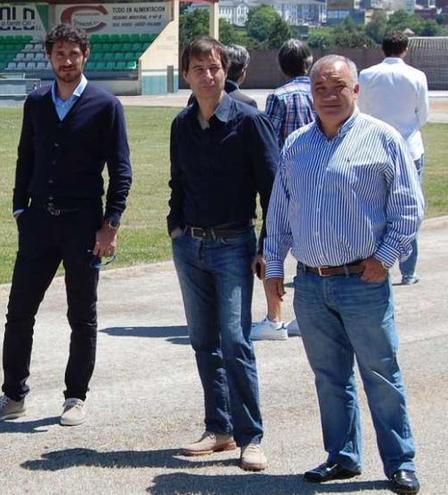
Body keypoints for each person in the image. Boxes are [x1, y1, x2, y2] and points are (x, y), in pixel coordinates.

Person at [264, 55, 423, 495]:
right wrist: (274, 267)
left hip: (363, 282)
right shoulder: (297, 144)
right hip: (311, 283)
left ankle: (400, 462)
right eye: (320, 88)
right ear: (310, 93)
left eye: (338, 87)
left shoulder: (383, 139)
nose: (329, 96)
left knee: (380, 374)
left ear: (355, 90)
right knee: (330, 377)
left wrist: (385, 257)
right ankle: (342, 457)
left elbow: (409, 208)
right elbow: (279, 211)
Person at [0, 24, 132, 427]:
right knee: (19, 311)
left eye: (73, 53)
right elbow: (25, 157)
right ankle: (13, 395)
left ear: (85, 55)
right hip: (38, 223)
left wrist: (110, 224)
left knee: (82, 315)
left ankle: (75, 397)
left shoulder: (105, 105)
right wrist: (18, 209)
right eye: (59, 53)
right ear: (50, 57)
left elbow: (121, 170)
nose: (66, 61)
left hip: (83, 225)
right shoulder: (37, 101)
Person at [167, 36, 278, 471]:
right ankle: (220, 428)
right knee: (203, 341)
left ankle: (252, 436)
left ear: (225, 71)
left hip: (234, 244)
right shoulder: (181, 124)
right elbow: (177, 182)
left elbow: (274, 190)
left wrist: (269, 246)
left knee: (235, 340)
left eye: (215, 67)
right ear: (186, 75)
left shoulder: (249, 121)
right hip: (189, 244)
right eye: (199, 68)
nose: (208, 75)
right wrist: (175, 227)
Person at [252, 38, 316, 341]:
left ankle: (274, 317)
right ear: (309, 62)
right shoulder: (318, 92)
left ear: (281, 65)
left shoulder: (279, 97)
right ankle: (306, 316)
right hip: (316, 179)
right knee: (310, 248)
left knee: (272, 246)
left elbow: (269, 139)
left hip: (286, 178)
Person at [359, 31, 430, 286]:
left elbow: (362, 111)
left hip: (374, 147)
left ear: (382, 49)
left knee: (374, 206)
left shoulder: (366, 75)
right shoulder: (417, 76)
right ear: (405, 49)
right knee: (408, 207)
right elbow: (423, 114)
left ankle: (373, 265)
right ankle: (408, 270)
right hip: (409, 147)